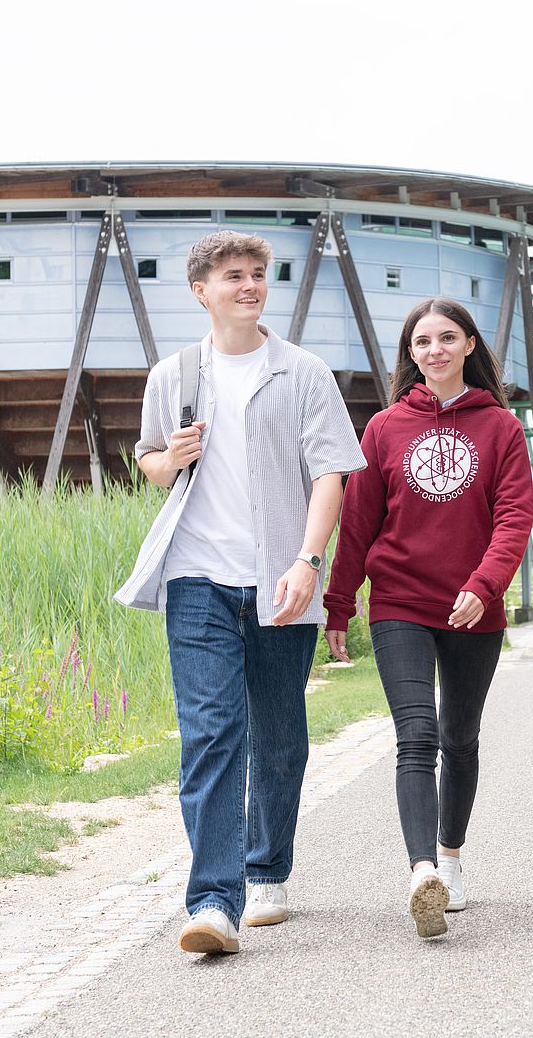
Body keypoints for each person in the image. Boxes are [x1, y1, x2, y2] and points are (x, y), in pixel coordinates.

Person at [115, 230, 365, 956]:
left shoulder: (303, 372)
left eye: (258, 274)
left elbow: (330, 474)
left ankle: (267, 870)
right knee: (211, 734)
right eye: (233, 276)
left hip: (280, 578)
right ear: (202, 291)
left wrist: (309, 561)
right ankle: (213, 901)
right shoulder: (173, 374)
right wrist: (170, 457)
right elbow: (149, 461)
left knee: (279, 737)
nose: (249, 285)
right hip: (196, 577)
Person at [321, 299, 533, 938]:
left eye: (446, 338)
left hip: (474, 607)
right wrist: (339, 601)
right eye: (422, 341)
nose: (434, 350)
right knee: (416, 735)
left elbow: (513, 518)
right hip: (400, 603)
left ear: (469, 344)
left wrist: (485, 584)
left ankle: (451, 856)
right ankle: (422, 873)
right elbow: (358, 524)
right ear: (409, 354)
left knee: (459, 736)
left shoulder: (501, 428)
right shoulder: (384, 428)